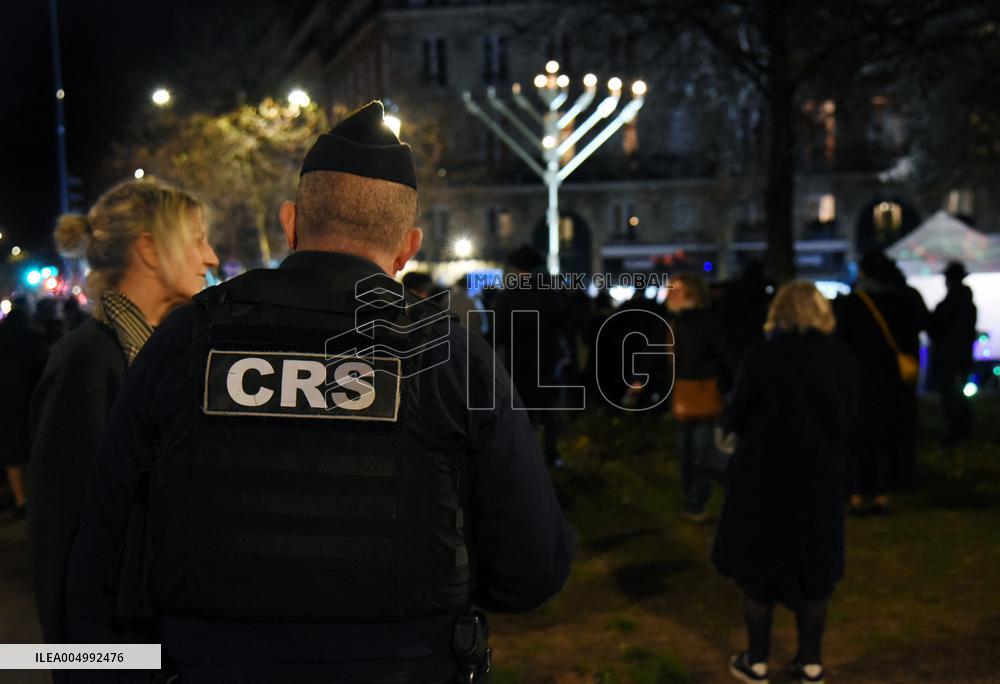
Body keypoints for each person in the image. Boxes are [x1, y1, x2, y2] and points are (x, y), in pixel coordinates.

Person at [67, 101, 573, 682]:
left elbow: (100, 550)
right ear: (407, 249)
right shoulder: (452, 356)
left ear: (290, 223)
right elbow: (532, 569)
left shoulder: (184, 340)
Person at [28, 177, 219, 646]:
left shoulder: (151, 354)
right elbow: (61, 539)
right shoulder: (89, 362)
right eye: (197, 240)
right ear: (150, 251)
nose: (210, 257)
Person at [713, 281, 856, 684]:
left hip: (765, 473)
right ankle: (810, 663)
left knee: (760, 568)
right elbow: (848, 412)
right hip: (819, 475)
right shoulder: (839, 357)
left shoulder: (763, 356)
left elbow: (738, 411)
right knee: (816, 568)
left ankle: (756, 660)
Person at [834, 251, 917, 515]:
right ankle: (881, 492)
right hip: (888, 379)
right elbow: (910, 339)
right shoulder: (898, 303)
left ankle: (857, 492)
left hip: (856, 378)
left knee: (856, 438)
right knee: (883, 437)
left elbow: (840, 342)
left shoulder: (850, 305)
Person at [666, 272, 736, 522]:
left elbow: (726, 356)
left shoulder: (707, 322)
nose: (668, 294)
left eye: (674, 290)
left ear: (691, 294)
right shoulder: (675, 322)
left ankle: (697, 502)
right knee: (688, 454)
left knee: (701, 454)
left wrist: (724, 385)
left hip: (704, 394)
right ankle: (693, 499)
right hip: (684, 394)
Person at [0, 296, 48, 520]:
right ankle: (36, 495)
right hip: (29, 397)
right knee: (33, 447)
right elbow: (42, 366)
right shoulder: (32, 336)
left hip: (6, 398)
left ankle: (20, 499)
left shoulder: (3, 336)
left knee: (12, 451)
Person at [928, 261, 977, 469]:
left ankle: (957, 429)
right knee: (956, 393)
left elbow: (937, 326)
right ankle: (961, 428)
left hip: (949, 356)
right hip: (961, 355)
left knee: (951, 394)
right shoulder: (967, 303)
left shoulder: (951, 303)